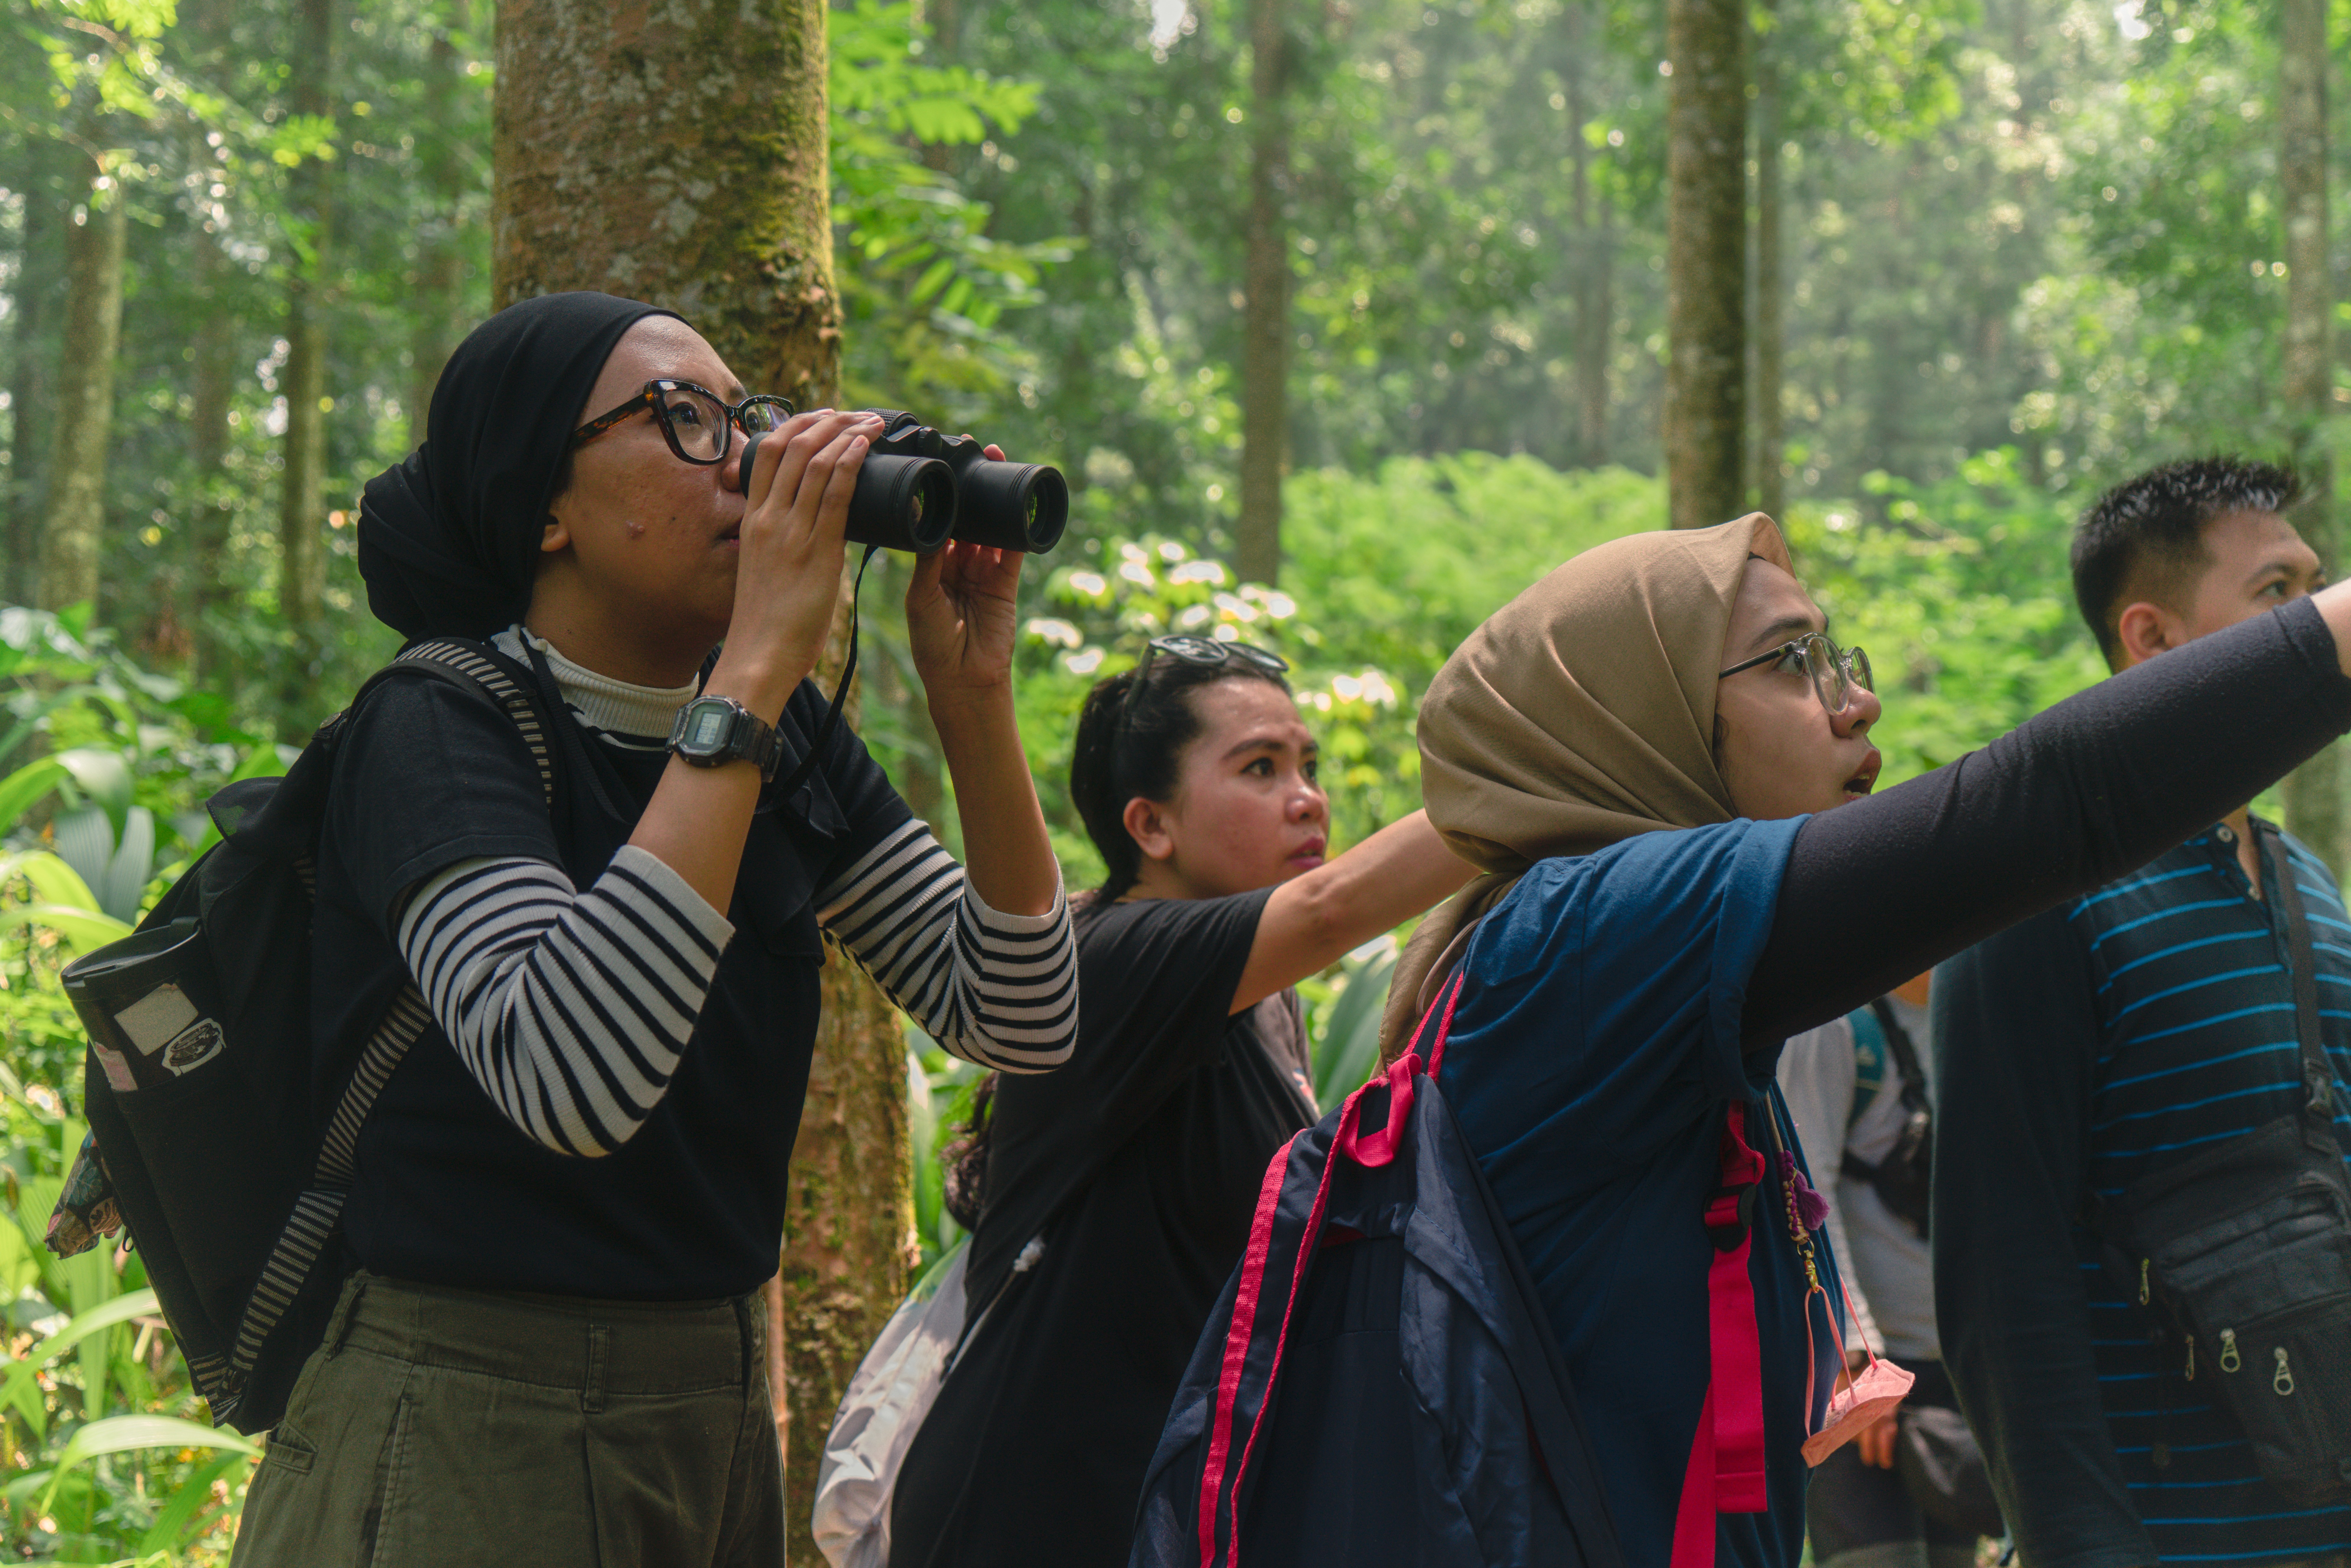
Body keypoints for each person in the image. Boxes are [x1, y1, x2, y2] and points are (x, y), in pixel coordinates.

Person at [231, 291, 1079, 1567]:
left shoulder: (777, 731)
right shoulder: (440, 723)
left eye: (748, 418)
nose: (746, 457)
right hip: (465, 1415)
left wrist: (971, 698)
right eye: (681, 419)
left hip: (717, 1409)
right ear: (545, 510)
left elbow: (1020, 1018)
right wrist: (749, 675)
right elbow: (573, 1079)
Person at [1363, 509, 2351, 1568]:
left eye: (1837, 656)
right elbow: (2041, 804)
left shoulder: (1629, 969)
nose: (1857, 699)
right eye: (1795, 662)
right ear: (1640, 712)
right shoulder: (1595, 935)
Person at [887, 635, 1474, 1568]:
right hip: (1023, 1517)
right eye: (1259, 767)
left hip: (1155, 1516)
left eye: (1307, 765)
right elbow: (1334, 906)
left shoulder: (1267, 998)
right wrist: (1550, 769)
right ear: (1150, 827)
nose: (1307, 798)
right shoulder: (1107, 958)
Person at [1932, 458, 2351, 1568]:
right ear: (2152, 640)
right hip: (2163, 1542)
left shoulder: (2308, 881)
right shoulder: (2036, 885)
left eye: (2320, 583)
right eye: (2278, 593)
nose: (2321, 620)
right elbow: (1996, 1256)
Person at [1780, 974, 1985, 1568]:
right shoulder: (1834, 1026)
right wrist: (1851, 1361)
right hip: (1860, 1375)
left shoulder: (1964, 1016)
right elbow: (1801, 1199)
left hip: (1949, 1368)